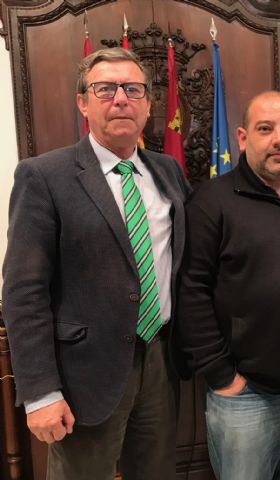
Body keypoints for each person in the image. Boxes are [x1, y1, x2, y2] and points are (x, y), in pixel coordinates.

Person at [2, 47, 191, 480]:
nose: (120, 98)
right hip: (83, 374)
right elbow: (24, 291)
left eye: (133, 89)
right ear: (83, 103)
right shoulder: (44, 176)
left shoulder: (168, 172)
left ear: (148, 105)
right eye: (105, 88)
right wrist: (40, 392)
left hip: (161, 360)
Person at [176, 91, 280, 480]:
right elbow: (191, 291)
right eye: (265, 129)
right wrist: (221, 375)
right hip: (248, 396)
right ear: (242, 138)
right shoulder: (211, 202)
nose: (279, 139)